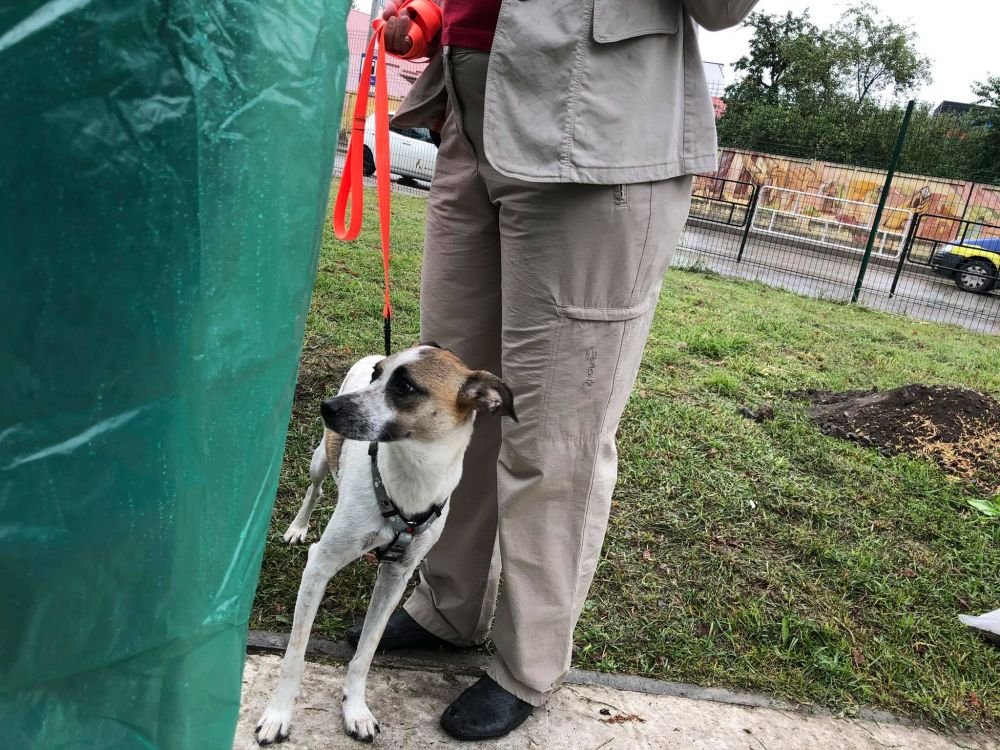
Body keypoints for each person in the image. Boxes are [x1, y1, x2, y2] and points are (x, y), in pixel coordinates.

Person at [347, 0, 759, 740]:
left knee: (556, 434)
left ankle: (527, 664)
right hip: (469, 116)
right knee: (450, 408)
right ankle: (450, 603)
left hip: (596, 131)